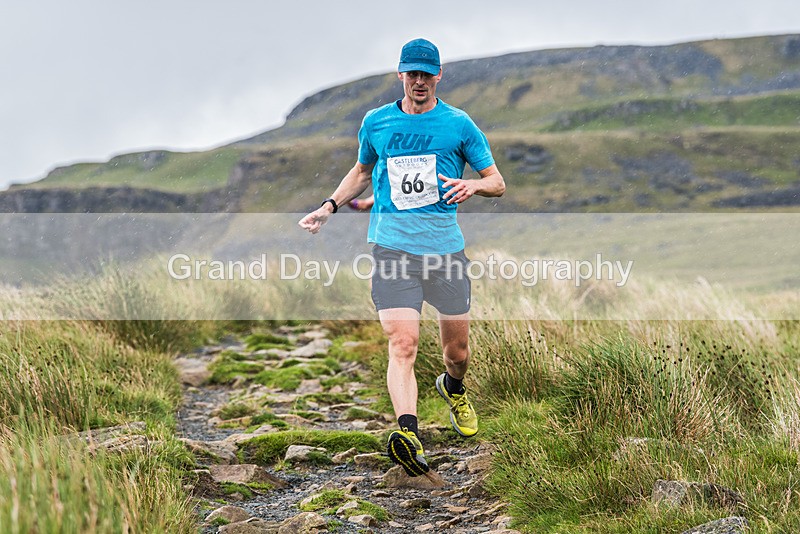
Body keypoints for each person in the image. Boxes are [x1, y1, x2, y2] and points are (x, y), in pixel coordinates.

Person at [298, 38, 505, 477]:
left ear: (439, 76)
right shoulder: (376, 122)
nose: (419, 81)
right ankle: (409, 435)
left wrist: (474, 185)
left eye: (426, 74)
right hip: (392, 248)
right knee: (403, 342)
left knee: (457, 352)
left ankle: (453, 388)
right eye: (412, 73)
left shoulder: (459, 124)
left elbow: (497, 182)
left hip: (445, 250)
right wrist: (330, 206)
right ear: (401, 75)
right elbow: (361, 171)